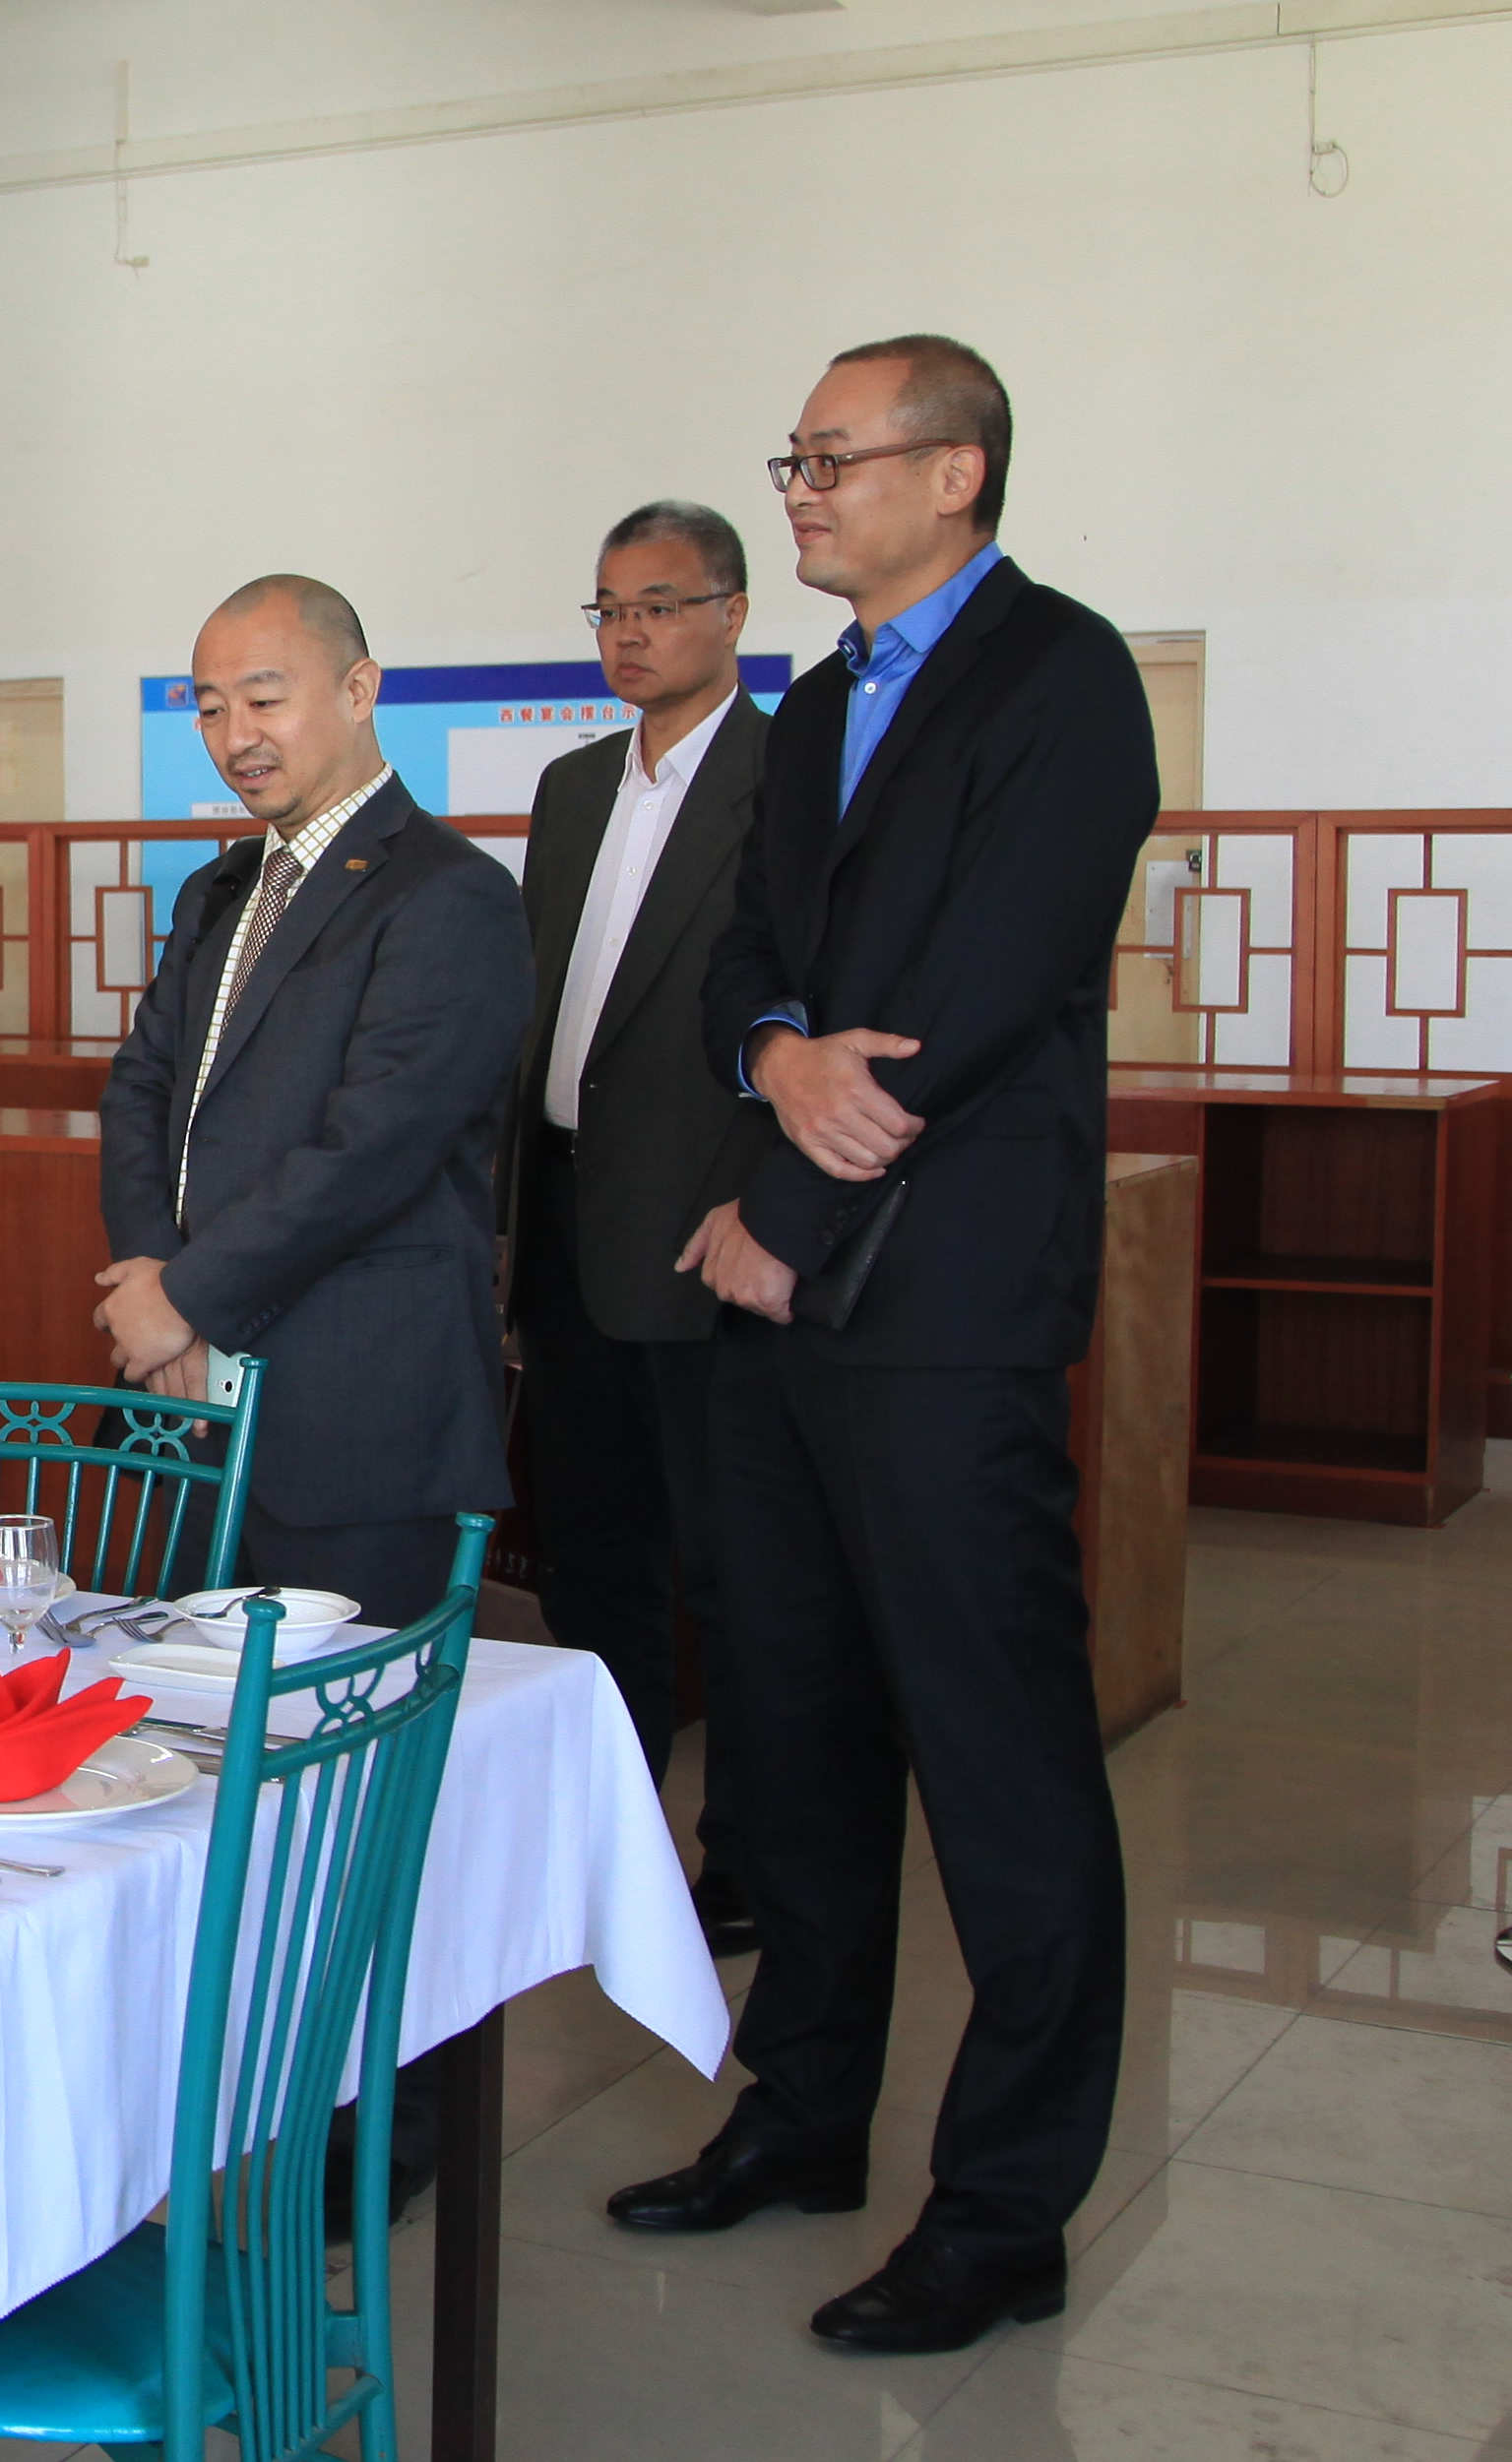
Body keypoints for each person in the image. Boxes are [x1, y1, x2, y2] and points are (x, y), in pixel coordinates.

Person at [609, 336, 1156, 2358]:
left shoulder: (1062, 677)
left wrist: (787, 1214)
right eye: (797, 457)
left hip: (940, 1300)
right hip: (784, 1285)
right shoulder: (822, 699)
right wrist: (767, 1054)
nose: (803, 489)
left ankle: (1006, 2205)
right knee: (794, 1725)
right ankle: (805, 2107)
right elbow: (753, 957)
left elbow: (985, 987)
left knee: (997, 1758)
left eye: (834, 458)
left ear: (957, 472)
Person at [94, 575, 530, 1630]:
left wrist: (187, 1295)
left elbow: (374, 1147)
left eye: (263, 698)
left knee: (345, 1721)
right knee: (186, 1707)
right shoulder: (218, 890)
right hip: (189, 1400)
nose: (234, 735)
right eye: (208, 708)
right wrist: (153, 1282)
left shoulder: (449, 892)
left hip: (356, 1412)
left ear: (358, 689)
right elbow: (140, 1088)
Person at [505, 500, 776, 1961]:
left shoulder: (783, 778)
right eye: (610, 609)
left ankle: (746, 1853)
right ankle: (609, 1837)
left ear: (731, 612)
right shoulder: (568, 788)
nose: (630, 633)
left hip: (704, 1227)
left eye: (661, 605)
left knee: (729, 1566)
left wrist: (760, 1203)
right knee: (591, 1553)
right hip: (565, 1220)